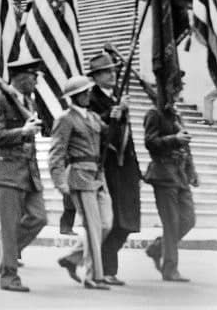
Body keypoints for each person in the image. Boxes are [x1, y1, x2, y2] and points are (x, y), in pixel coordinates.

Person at [0, 54, 47, 292]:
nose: (36, 82)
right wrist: (23, 131)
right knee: (9, 226)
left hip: (28, 171)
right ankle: (8, 275)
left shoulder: (28, 103)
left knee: (39, 217)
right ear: (21, 77)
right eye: (33, 77)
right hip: (6, 170)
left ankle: (2, 251)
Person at [50, 75, 111, 290]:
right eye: (83, 93)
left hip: (97, 175)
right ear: (74, 97)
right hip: (79, 175)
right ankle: (93, 276)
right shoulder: (65, 119)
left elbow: (108, 130)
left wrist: (119, 112)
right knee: (94, 227)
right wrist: (59, 181)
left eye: (88, 92)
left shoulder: (93, 117)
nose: (87, 95)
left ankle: (73, 258)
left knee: (105, 224)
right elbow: (56, 153)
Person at [86, 52, 141, 285]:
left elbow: (127, 137)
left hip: (124, 166)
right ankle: (107, 269)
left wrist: (137, 169)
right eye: (107, 71)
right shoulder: (91, 98)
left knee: (128, 220)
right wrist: (112, 113)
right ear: (96, 76)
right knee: (114, 220)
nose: (113, 74)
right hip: (106, 165)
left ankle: (86, 261)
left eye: (114, 70)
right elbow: (90, 127)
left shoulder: (117, 97)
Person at [143, 78, 197, 282]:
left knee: (188, 220)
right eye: (174, 89)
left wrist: (192, 169)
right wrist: (174, 140)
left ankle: (157, 248)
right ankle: (170, 269)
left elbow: (186, 143)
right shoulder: (153, 114)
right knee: (171, 222)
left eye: (178, 89)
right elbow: (150, 142)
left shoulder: (174, 114)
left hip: (180, 173)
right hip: (164, 173)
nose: (177, 93)